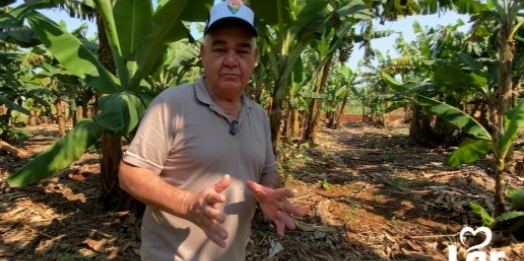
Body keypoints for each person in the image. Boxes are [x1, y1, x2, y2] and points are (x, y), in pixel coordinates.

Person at [118, 0, 303, 260]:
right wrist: (187, 204)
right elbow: (130, 174)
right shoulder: (171, 105)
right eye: (220, 49)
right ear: (203, 53)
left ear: (255, 57)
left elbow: (268, 171)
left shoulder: (258, 115)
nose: (230, 60)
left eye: (241, 51)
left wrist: (268, 192)